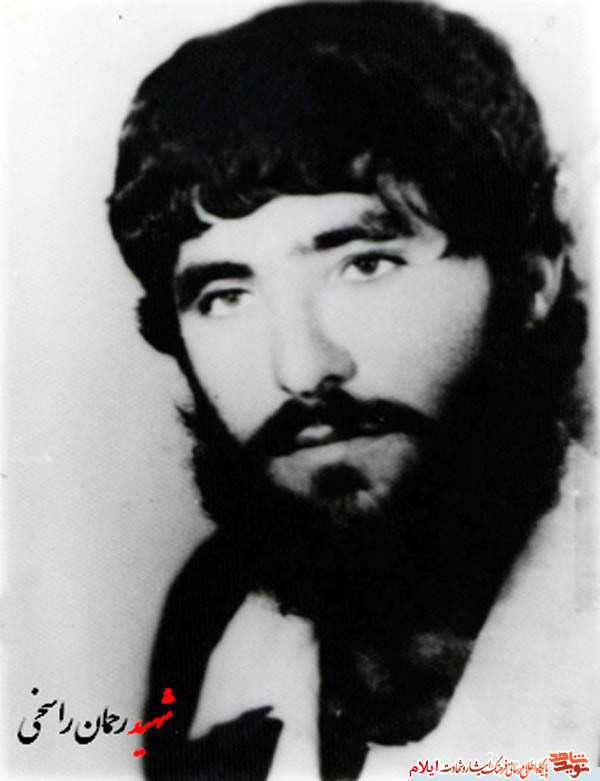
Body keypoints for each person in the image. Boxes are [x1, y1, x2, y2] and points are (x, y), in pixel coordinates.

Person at [107, 1, 599, 778]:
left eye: (364, 264)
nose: (302, 370)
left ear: (532, 276)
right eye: (226, 295)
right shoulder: (211, 612)